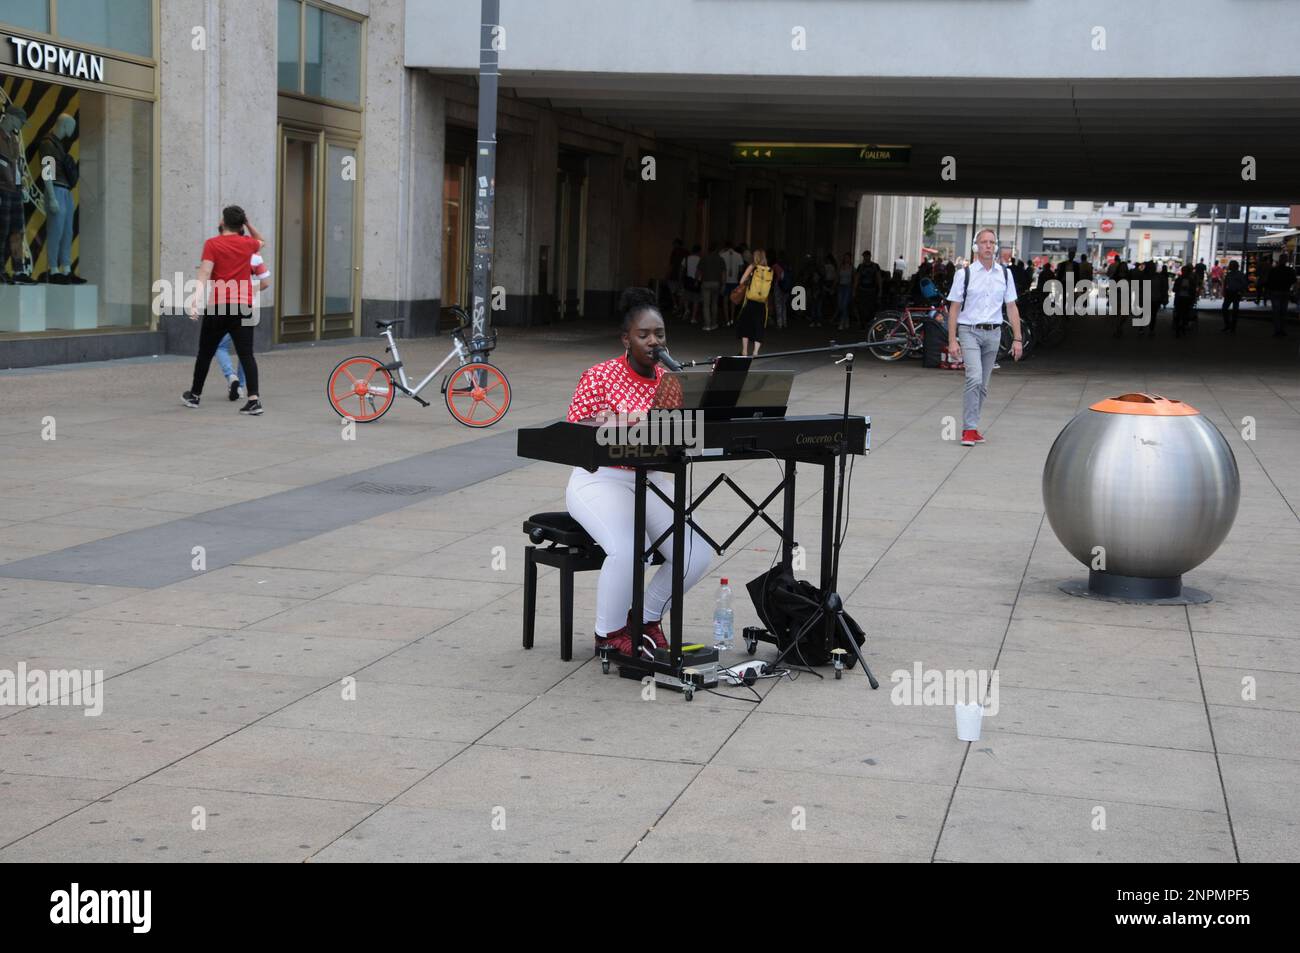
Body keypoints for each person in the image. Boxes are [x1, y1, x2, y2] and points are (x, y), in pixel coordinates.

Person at [565, 288, 712, 660]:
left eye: (659, 334)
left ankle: (644, 619)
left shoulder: (672, 382)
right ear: (625, 339)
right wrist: (631, 421)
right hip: (600, 478)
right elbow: (578, 430)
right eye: (643, 334)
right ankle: (608, 634)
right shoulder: (599, 375)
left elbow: (686, 437)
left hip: (652, 479)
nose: (653, 341)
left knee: (695, 553)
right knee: (628, 550)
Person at [181, 205, 266, 415]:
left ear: (222, 222)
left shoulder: (212, 244)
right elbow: (262, 240)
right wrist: (247, 222)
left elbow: (204, 272)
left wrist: (195, 300)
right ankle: (254, 400)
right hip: (243, 306)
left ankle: (195, 395)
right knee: (247, 354)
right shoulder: (248, 244)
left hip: (218, 306)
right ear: (240, 224)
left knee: (205, 353)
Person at [946, 228, 1023, 447]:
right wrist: (952, 340)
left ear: (996, 246)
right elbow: (954, 308)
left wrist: (1017, 339)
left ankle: (973, 425)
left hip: (994, 333)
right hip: (969, 331)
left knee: (984, 385)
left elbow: (1011, 307)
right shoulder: (964, 274)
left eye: (992, 242)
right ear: (975, 246)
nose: (988, 246)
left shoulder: (1005, 274)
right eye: (983, 242)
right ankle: (969, 429)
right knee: (974, 378)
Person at [215, 253, 271, 400]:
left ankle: (231, 376)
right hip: (247, 307)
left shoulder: (224, 255)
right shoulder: (254, 257)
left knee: (220, 346)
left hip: (225, 306)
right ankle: (240, 386)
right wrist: (251, 291)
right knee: (244, 351)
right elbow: (265, 283)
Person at [736, 249, 773, 356]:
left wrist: (749, 280)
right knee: (759, 327)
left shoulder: (753, 267)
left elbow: (741, 281)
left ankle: (744, 351)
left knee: (745, 325)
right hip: (762, 303)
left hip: (751, 301)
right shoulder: (770, 270)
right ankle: (755, 352)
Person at [1265, 254, 1295, 337]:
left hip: (1275, 292)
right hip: (1285, 291)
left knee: (1276, 311)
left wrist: (1268, 291)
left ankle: (1277, 330)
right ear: (1286, 261)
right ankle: (1282, 329)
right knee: (1283, 311)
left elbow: (1269, 281)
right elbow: (1293, 280)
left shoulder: (1274, 270)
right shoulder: (1290, 270)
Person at [698, 242, 724, 331]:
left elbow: (699, 272)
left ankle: (707, 325)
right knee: (714, 304)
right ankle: (714, 323)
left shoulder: (704, 259)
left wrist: (697, 280)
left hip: (706, 282)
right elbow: (723, 273)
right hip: (716, 283)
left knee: (706, 304)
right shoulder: (721, 259)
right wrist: (723, 284)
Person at [854, 250, 882, 329]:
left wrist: (880, 290)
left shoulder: (875, 266)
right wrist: (854, 290)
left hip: (872, 290)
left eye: (867, 256)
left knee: (871, 308)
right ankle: (863, 324)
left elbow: (879, 278)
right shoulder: (861, 266)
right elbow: (857, 278)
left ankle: (869, 322)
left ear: (870, 256)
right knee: (861, 308)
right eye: (864, 256)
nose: (866, 258)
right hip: (862, 290)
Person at [720, 240, 743, 326]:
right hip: (734, 281)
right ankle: (732, 318)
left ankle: (727, 320)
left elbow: (720, 269)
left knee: (725, 301)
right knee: (733, 301)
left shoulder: (722, 255)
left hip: (725, 281)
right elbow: (741, 269)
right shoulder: (738, 255)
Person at [1221, 259, 1246, 333]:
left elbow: (1244, 284)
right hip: (1229, 292)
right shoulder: (1229, 274)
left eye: (1231, 265)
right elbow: (1226, 283)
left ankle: (1232, 327)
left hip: (1236, 293)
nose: (1229, 266)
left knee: (1235, 310)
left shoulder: (1240, 274)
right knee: (1225, 309)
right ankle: (1228, 325)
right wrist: (1225, 291)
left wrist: (1241, 291)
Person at [1172, 264, 1196, 337]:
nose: (1184, 272)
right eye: (1183, 271)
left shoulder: (1191, 280)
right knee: (1179, 315)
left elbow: (1193, 290)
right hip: (1180, 299)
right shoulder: (1179, 279)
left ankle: (1182, 328)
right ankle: (1179, 329)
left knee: (1185, 315)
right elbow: (1174, 289)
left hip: (1187, 299)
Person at [682, 243, 702, 324]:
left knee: (686, 297)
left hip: (688, 280)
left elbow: (682, 269)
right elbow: (701, 271)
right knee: (696, 300)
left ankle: (686, 309)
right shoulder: (700, 259)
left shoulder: (686, 258)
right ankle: (693, 318)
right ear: (699, 251)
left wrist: (681, 279)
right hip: (697, 281)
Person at [835, 252, 853, 329]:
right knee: (840, 305)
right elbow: (837, 277)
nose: (846, 259)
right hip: (841, 286)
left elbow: (855, 278)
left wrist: (853, 289)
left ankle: (842, 322)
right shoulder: (840, 266)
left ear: (850, 259)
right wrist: (834, 286)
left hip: (848, 287)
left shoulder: (852, 268)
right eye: (845, 257)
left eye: (848, 257)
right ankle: (847, 319)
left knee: (844, 305)